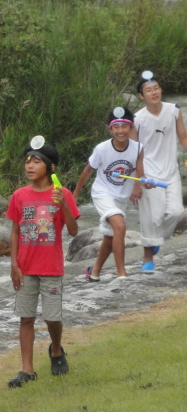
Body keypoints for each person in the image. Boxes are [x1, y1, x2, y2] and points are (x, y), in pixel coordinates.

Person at [6, 142, 80, 387]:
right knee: (25, 318)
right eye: (28, 161)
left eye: (36, 162)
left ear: (51, 168)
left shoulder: (62, 193)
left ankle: (56, 349)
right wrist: (14, 264)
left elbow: (73, 230)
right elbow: (15, 231)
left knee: (51, 318)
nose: (30, 166)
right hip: (25, 268)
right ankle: (27, 370)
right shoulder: (19, 195)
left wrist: (64, 204)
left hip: (51, 267)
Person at [73, 107, 146, 281]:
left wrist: (139, 185)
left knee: (110, 236)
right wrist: (75, 194)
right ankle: (121, 273)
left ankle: (94, 272)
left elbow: (140, 172)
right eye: (116, 127)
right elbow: (88, 170)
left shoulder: (138, 148)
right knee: (120, 226)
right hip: (102, 193)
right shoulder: (102, 149)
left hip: (121, 196)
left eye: (124, 126)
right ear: (110, 129)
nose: (120, 130)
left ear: (131, 127)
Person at [131, 72, 187, 270]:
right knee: (152, 217)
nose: (154, 92)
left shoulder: (174, 111)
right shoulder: (137, 119)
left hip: (171, 172)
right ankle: (148, 259)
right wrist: (137, 181)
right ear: (141, 96)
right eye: (149, 90)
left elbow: (182, 137)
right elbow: (134, 151)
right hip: (149, 174)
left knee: (176, 211)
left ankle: (157, 239)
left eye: (156, 88)